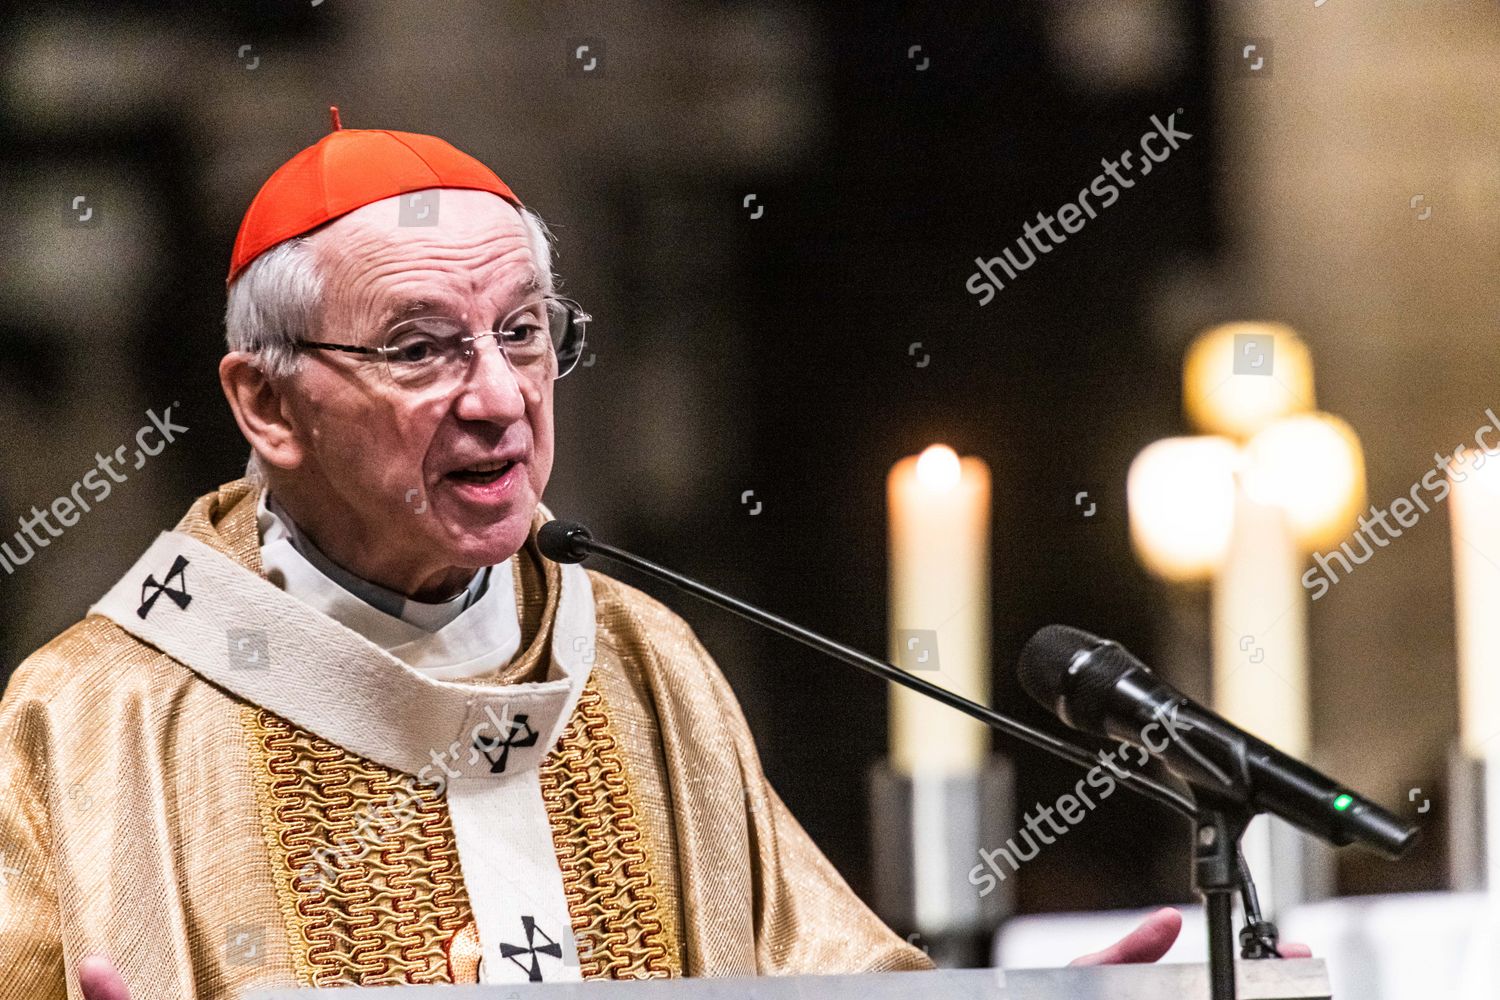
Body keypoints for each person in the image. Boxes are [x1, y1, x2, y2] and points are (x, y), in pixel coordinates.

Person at [0, 110, 1235, 1000]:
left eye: (524, 334)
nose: (497, 397)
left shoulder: (644, 663)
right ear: (267, 405)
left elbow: (816, 978)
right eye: (423, 346)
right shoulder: (99, 712)